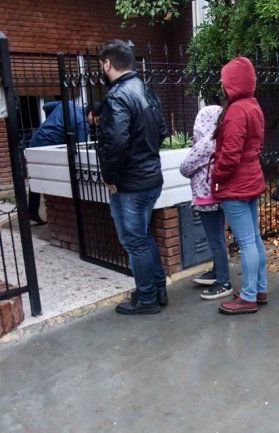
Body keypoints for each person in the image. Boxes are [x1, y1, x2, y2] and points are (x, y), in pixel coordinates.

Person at [97, 39, 169, 315]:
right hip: (149, 177)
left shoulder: (117, 96)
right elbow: (161, 130)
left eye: (102, 64)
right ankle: (157, 288)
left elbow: (115, 142)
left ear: (107, 64)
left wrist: (111, 175)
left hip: (130, 183)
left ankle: (148, 297)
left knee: (134, 240)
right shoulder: (145, 90)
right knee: (142, 237)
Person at [213, 57, 268, 315]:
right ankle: (259, 288)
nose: (221, 85)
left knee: (246, 241)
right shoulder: (254, 105)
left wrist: (217, 176)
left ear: (232, 83)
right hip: (251, 178)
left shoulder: (236, 110)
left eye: (224, 80)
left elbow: (230, 154)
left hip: (236, 184)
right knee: (254, 238)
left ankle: (248, 298)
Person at [179, 105, 233, 301]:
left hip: (205, 197)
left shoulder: (205, 142)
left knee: (215, 240)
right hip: (219, 195)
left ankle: (223, 281)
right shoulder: (220, 139)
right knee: (219, 236)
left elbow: (185, 168)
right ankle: (217, 272)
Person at [27, 100, 90, 225]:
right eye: (97, 119)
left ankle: (32, 211)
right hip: (47, 145)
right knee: (51, 175)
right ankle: (49, 208)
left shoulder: (70, 103)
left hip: (37, 140)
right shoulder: (81, 123)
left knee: (36, 176)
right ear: (91, 113)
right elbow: (81, 149)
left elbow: (46, 106)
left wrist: (54, 121)